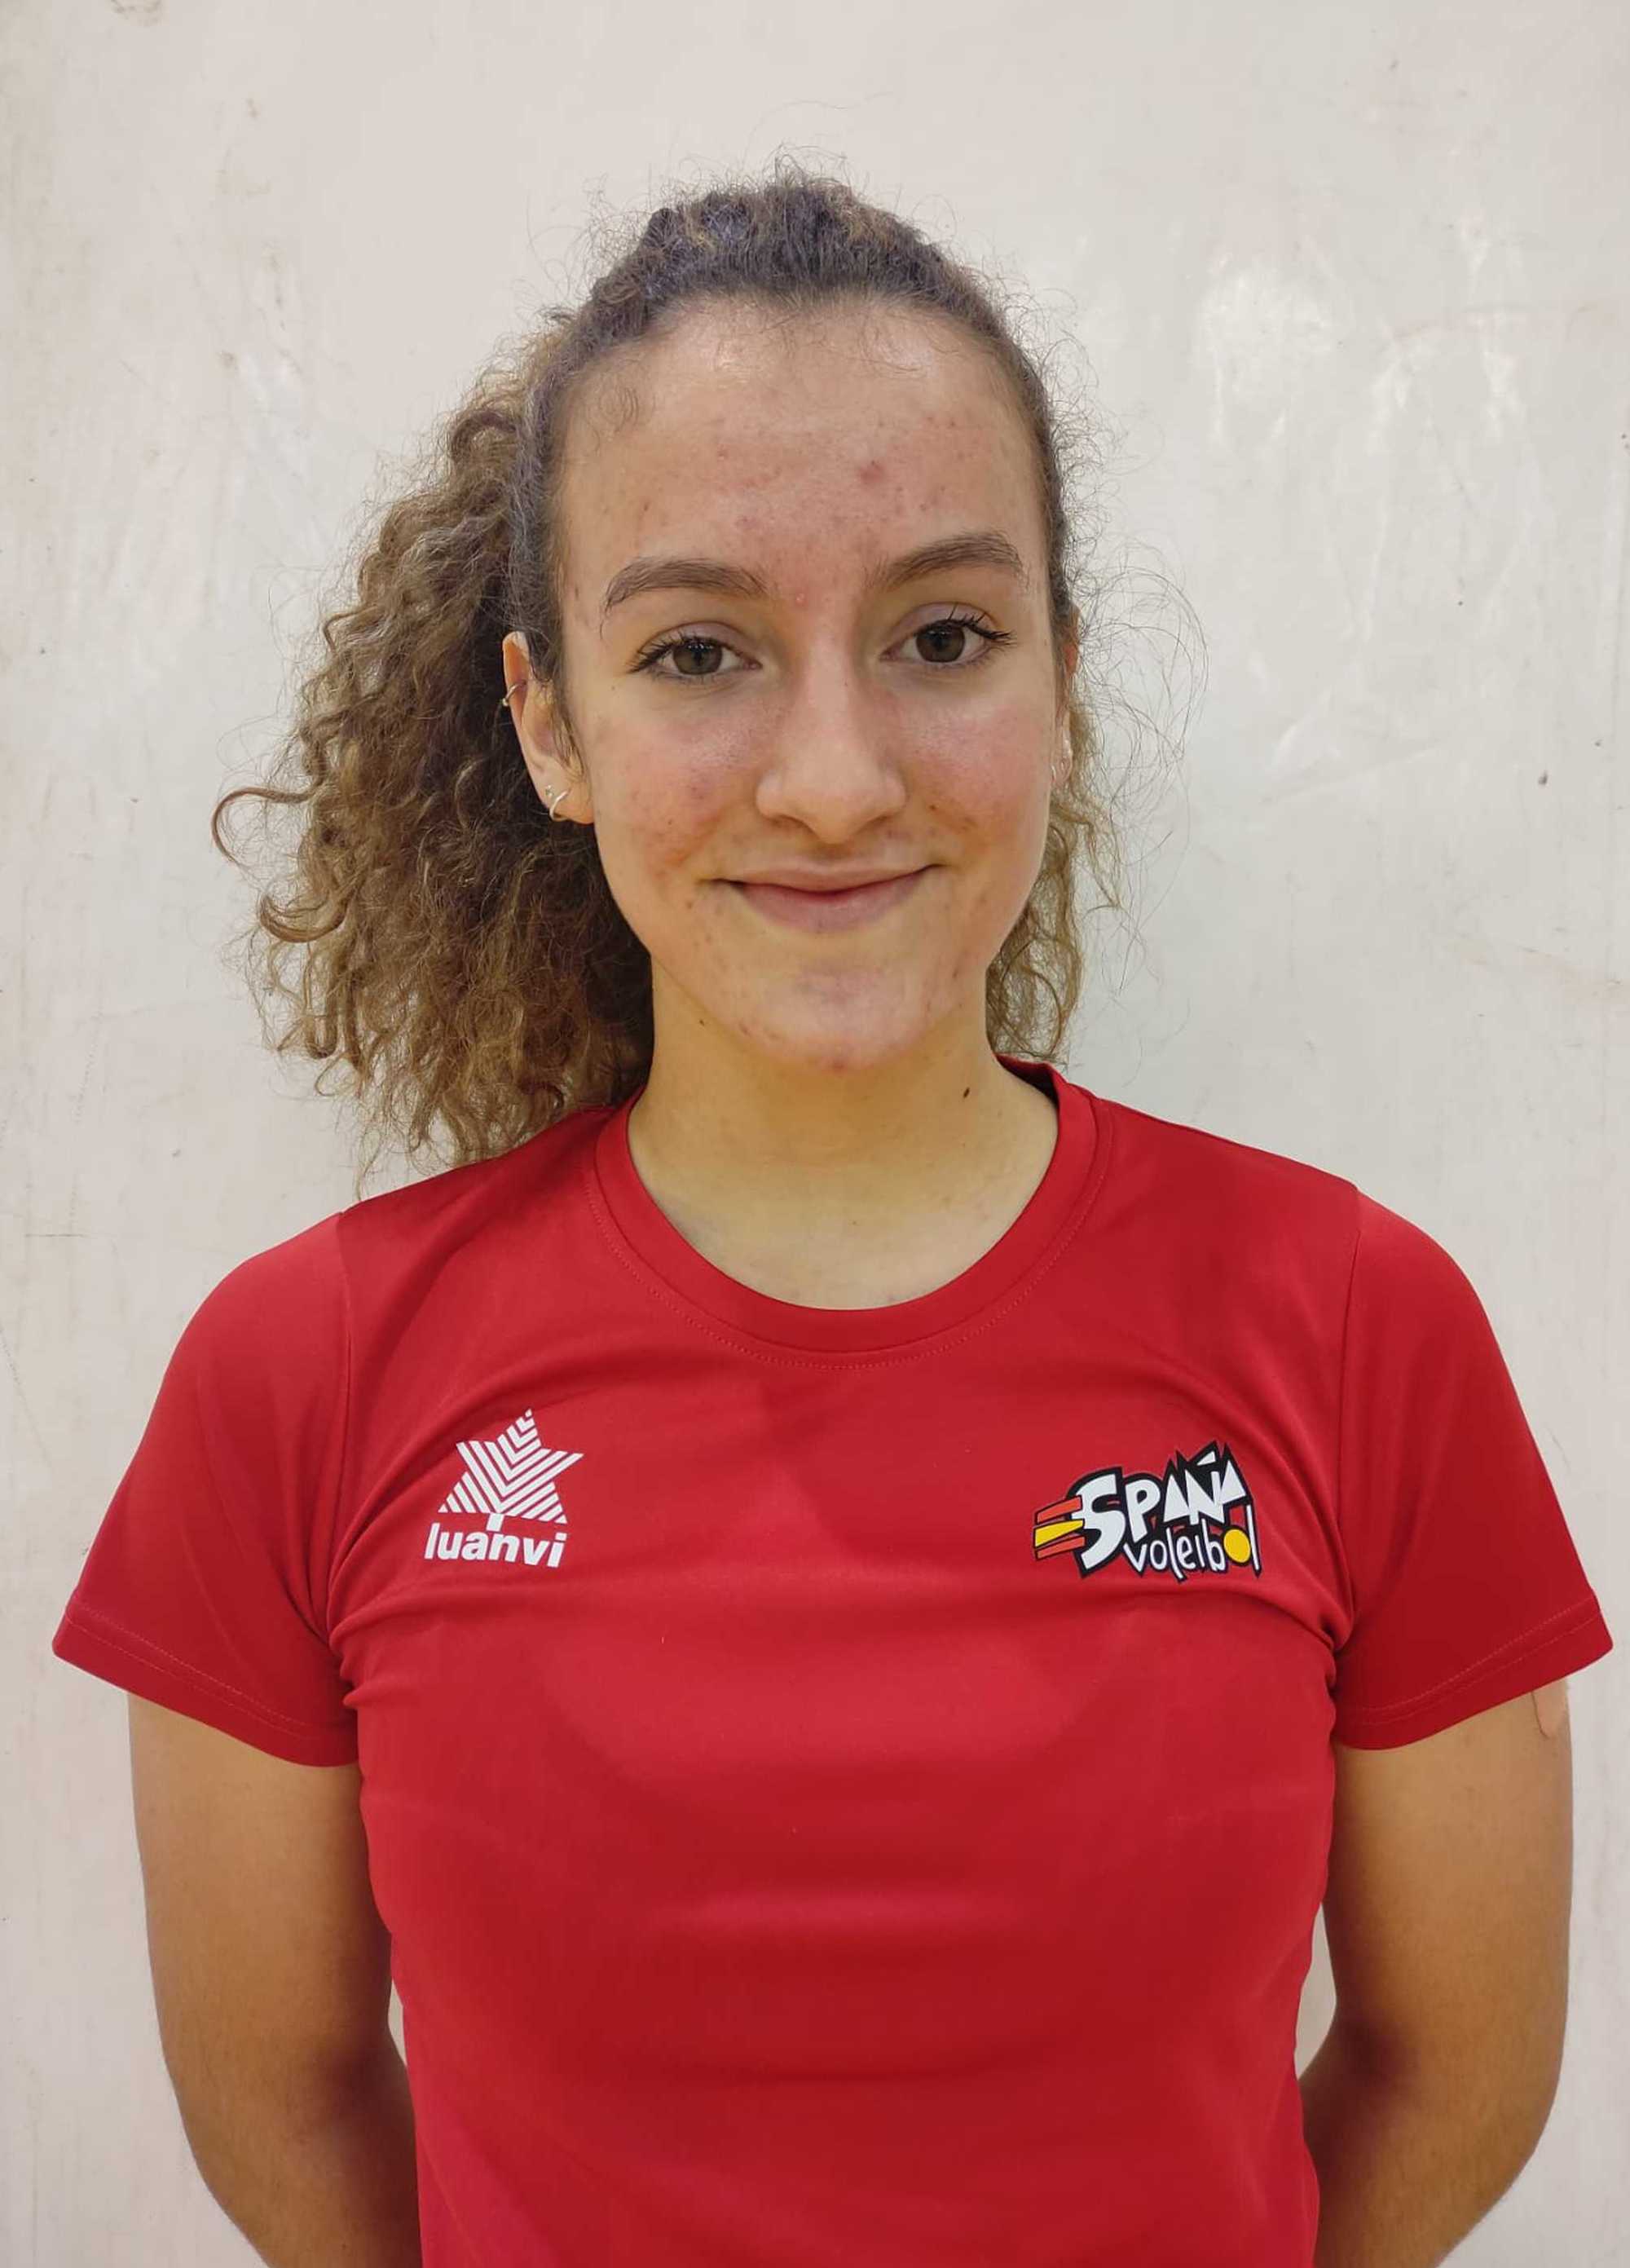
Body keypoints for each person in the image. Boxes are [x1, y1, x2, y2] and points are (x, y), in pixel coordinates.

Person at [53, 161, 1614, 2268]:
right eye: (697, 651)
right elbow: (289, 2105)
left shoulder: (1357, 1325)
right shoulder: (302, 1377)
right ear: (550, 722)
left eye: (943, 637)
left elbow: (1456, 2072)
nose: (835, 778)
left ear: (1062, 677)